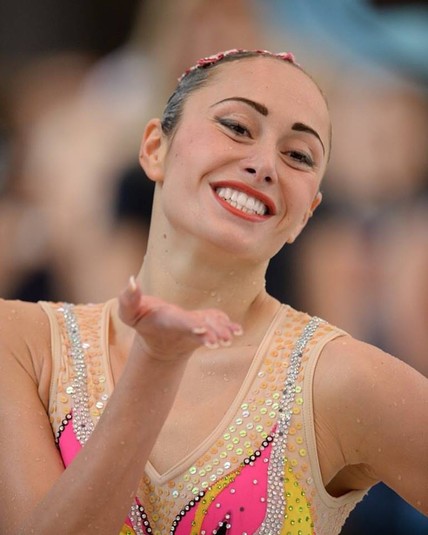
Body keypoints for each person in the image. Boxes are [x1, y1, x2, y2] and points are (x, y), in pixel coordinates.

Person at [0, 49, 426, 535]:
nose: (264, 165)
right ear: (155, 148)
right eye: (237, 127)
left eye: (298, 155)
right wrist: (155, 364)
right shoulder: (22, 343)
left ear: (306, 213)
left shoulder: (341, 379)